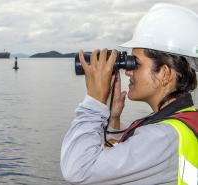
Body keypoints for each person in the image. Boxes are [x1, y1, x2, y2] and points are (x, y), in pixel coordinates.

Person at [61, 3, 198, 185]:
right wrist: (114, 120)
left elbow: (78, 169)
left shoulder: (163, 137)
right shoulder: (182, 121)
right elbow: (132, 160)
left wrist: (94, 102)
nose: (128, 72)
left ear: (165, 73)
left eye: (136, 63)